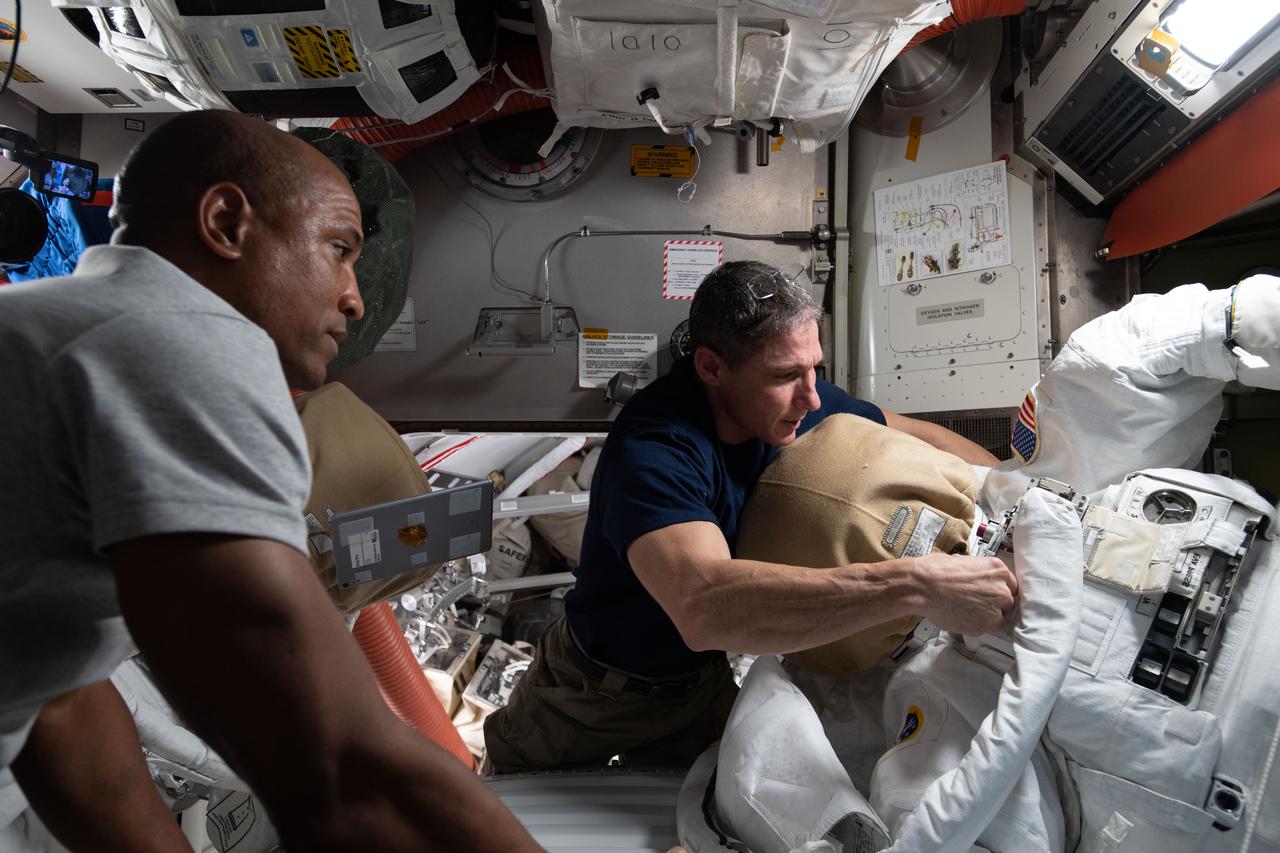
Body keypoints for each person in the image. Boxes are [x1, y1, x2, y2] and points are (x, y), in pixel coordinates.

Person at [0, 110, 542, 852]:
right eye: (338, 250)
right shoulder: (177, 342)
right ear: (226, 222)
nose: (354, 296)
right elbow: (340, 764)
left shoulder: (57, 324)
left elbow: (57, 694)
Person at [485, 260, 1018, 773]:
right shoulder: (654, 451)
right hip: (591, 691)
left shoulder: (797, 401)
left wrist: (1016, 493)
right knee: (502, 809)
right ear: (712, 367)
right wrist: (914, 585)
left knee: (728, 819)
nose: (811, 397)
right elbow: (706, 606)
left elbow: (905, 429)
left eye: (815, 368)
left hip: (699, 685)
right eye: (786, 375)